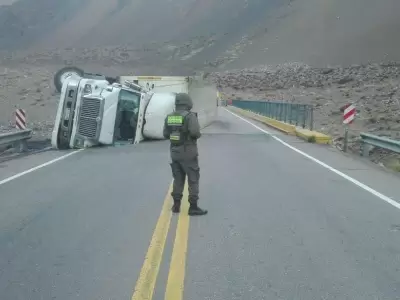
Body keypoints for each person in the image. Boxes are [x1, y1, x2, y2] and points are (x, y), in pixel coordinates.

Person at [163, 93, 208, 216]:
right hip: (188, 152)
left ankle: (176, 205)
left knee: (178, 179)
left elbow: (165, 134)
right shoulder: (190, 116)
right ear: (188, 103)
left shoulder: (169, 117)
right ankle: (193, 207)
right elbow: (195, 133)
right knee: (193, 178)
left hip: (174, 152)